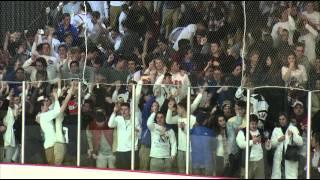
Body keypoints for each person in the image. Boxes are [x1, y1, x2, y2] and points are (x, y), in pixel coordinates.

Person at [270, 113, 303, 179]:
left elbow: (300, 142)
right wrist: (278, 140)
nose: (281, 121)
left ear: (287, 120)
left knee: (290, 176)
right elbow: (272, 145)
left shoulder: (293, 128)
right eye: (280, 119)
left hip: (290, 158)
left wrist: (293, 135)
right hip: (279, 159)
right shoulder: (276, 129)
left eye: (283, 119)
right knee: (278, 176)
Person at [191, 111, 216, 176]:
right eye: (207, 119)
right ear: (205, 121)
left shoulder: (192, 131)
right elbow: (213, 150)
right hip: (207, 162)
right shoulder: (211, 132)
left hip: (196, 161)